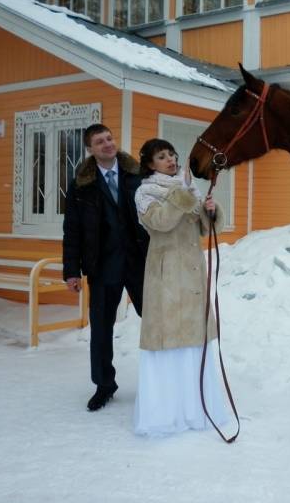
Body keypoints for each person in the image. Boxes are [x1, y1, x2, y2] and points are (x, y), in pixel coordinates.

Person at [133, 138, 229, 436]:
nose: (171, 160)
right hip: (166, 275)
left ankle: (196, 409)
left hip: (192, 273)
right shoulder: (146, 192)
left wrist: (209, 211)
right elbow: (160, 222)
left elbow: (203, 228)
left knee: (193, 342)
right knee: (168, 340)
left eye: (172, 154)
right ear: (150, 164)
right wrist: (182, 195)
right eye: (162, 156)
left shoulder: (188, 188)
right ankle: (166, 414)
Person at [63, 123, 149, 412]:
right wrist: (71, 270)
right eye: (100, 141)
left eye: (109, 138)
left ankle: (161, 379)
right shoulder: (80, 185)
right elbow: (72, 230)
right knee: (101, 329)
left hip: (140, 263)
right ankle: (104, 385)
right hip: (102, 267)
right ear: (90, 149)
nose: (108, 144)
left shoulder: (137, 175)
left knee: (156, 323)